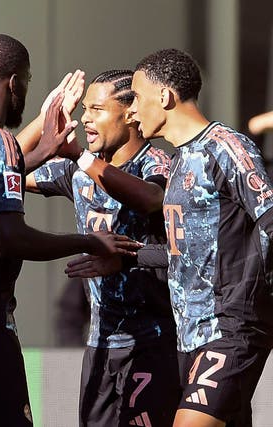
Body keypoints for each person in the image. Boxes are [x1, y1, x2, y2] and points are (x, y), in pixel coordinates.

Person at [0, 34, 142, 427]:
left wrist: (41, 151)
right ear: (13, 83)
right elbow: (12, 238)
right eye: (26, 81)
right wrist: (90, 241)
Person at [69, 48, 273, 427]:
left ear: (164, 98)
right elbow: (184, 251)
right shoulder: (179, 161)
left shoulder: (226, 145)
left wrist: (255, 297)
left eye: (139, 101)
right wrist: (128, 258)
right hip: (188, 335)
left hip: (231, 327)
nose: (133, 112)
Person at [24, 70, 180, 426]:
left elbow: (150, 199)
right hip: (100, 345)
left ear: (129, 114)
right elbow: (5, 171)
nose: (84, 118)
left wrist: (79, 154)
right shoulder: (76, 172)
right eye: (84, 110)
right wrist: (45, 124)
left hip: (152, 345)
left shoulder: (156, 165)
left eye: (96, 109)